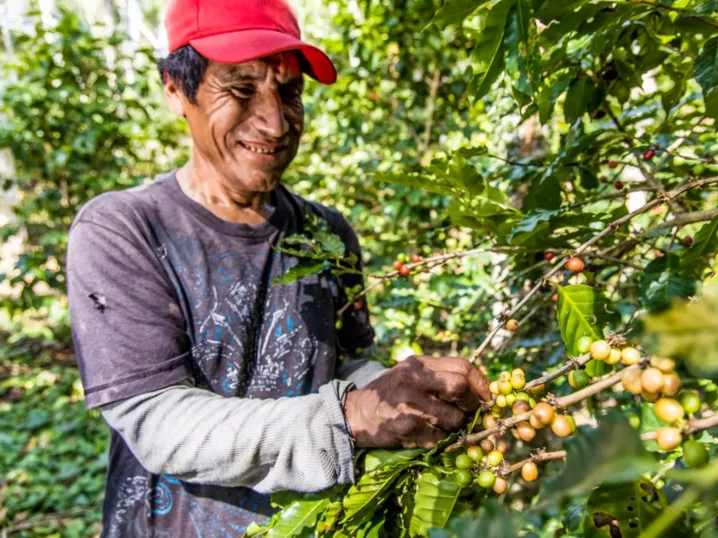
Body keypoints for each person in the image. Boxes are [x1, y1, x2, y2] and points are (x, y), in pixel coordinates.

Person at [65, 0, 491, 535]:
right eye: (241, 90)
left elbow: (346, 362)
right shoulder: (124, 229)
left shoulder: (325, 234)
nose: (273, 122)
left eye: (289, 93)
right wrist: (351, 417)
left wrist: (406, 393)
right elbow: (158, 421)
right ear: (177, 89)